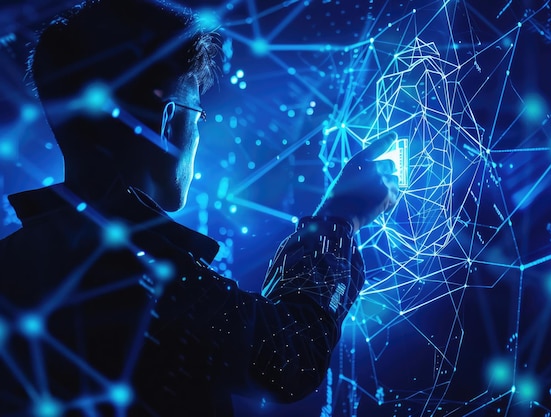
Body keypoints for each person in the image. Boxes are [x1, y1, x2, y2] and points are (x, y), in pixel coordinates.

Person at [0, 0, 399, 415]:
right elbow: (289, 360)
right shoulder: (147, 271)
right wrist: (340, 220)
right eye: (198, 114)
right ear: (170, 119)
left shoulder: (12, 261)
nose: (197, 132)